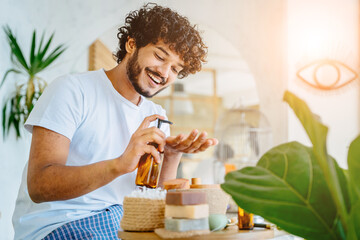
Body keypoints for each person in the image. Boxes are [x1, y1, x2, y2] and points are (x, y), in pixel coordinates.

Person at [12, 3, 218, 240]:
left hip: (123, 224)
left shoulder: (157, 114)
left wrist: (172, 155)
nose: (165, 73)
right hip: (61, 223)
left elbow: (150, 200)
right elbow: (39, 186)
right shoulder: (72, 90)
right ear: (131, 44)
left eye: (175, 69)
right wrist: (119, 164)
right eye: (160, 56)